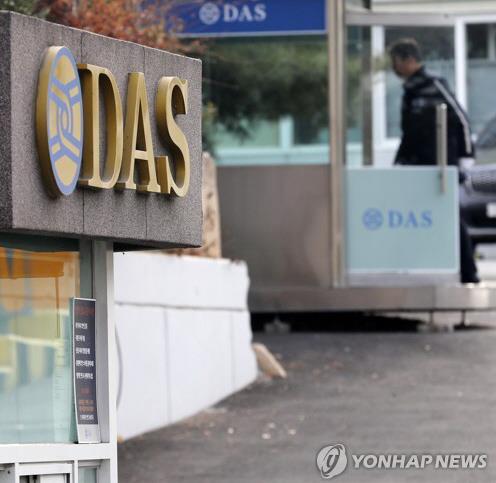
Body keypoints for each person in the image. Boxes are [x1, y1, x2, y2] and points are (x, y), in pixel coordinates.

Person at [389, 38, 479, 284]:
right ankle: (418, 267)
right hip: (415, 167)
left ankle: (469, 273)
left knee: (450, 216)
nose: (393, 67)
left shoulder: (434, 85)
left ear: (409, 60)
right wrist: (399, 162)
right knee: (415, 218)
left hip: (440, 166)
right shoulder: (410, 91)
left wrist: (466, 157)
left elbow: (461, 120)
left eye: (395, 61)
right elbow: (409, 133)